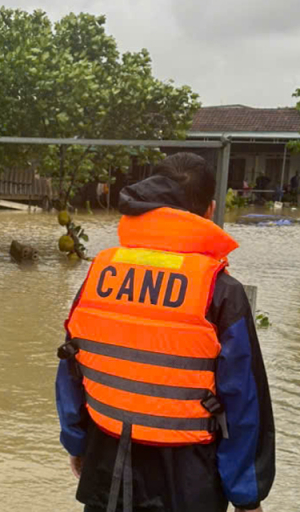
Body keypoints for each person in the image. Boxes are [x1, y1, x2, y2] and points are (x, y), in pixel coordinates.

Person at [56, 153, 274, 512]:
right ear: (210, 210)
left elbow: (71, 369)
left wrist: (78, 443)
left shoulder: (99, 274)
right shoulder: (220, 291)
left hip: (107, 462)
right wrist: (246, 495)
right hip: (189, 479)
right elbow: (243, 401)